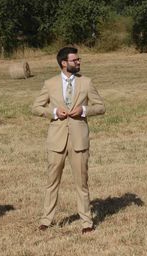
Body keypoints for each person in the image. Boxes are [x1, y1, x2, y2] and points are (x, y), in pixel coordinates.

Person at [31, 46, 106, 234]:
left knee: (82, 183)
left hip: (79, 141)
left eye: (78, 60)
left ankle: (86, 222)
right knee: (52, 182)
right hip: (56, 141)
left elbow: (101, 107)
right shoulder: (50, 84)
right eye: (75, 60)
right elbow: (36, 107)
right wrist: (54, 112)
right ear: (64, 63)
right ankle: (46, 220)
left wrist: (84, 110)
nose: (78, 62)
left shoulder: (87, 82)